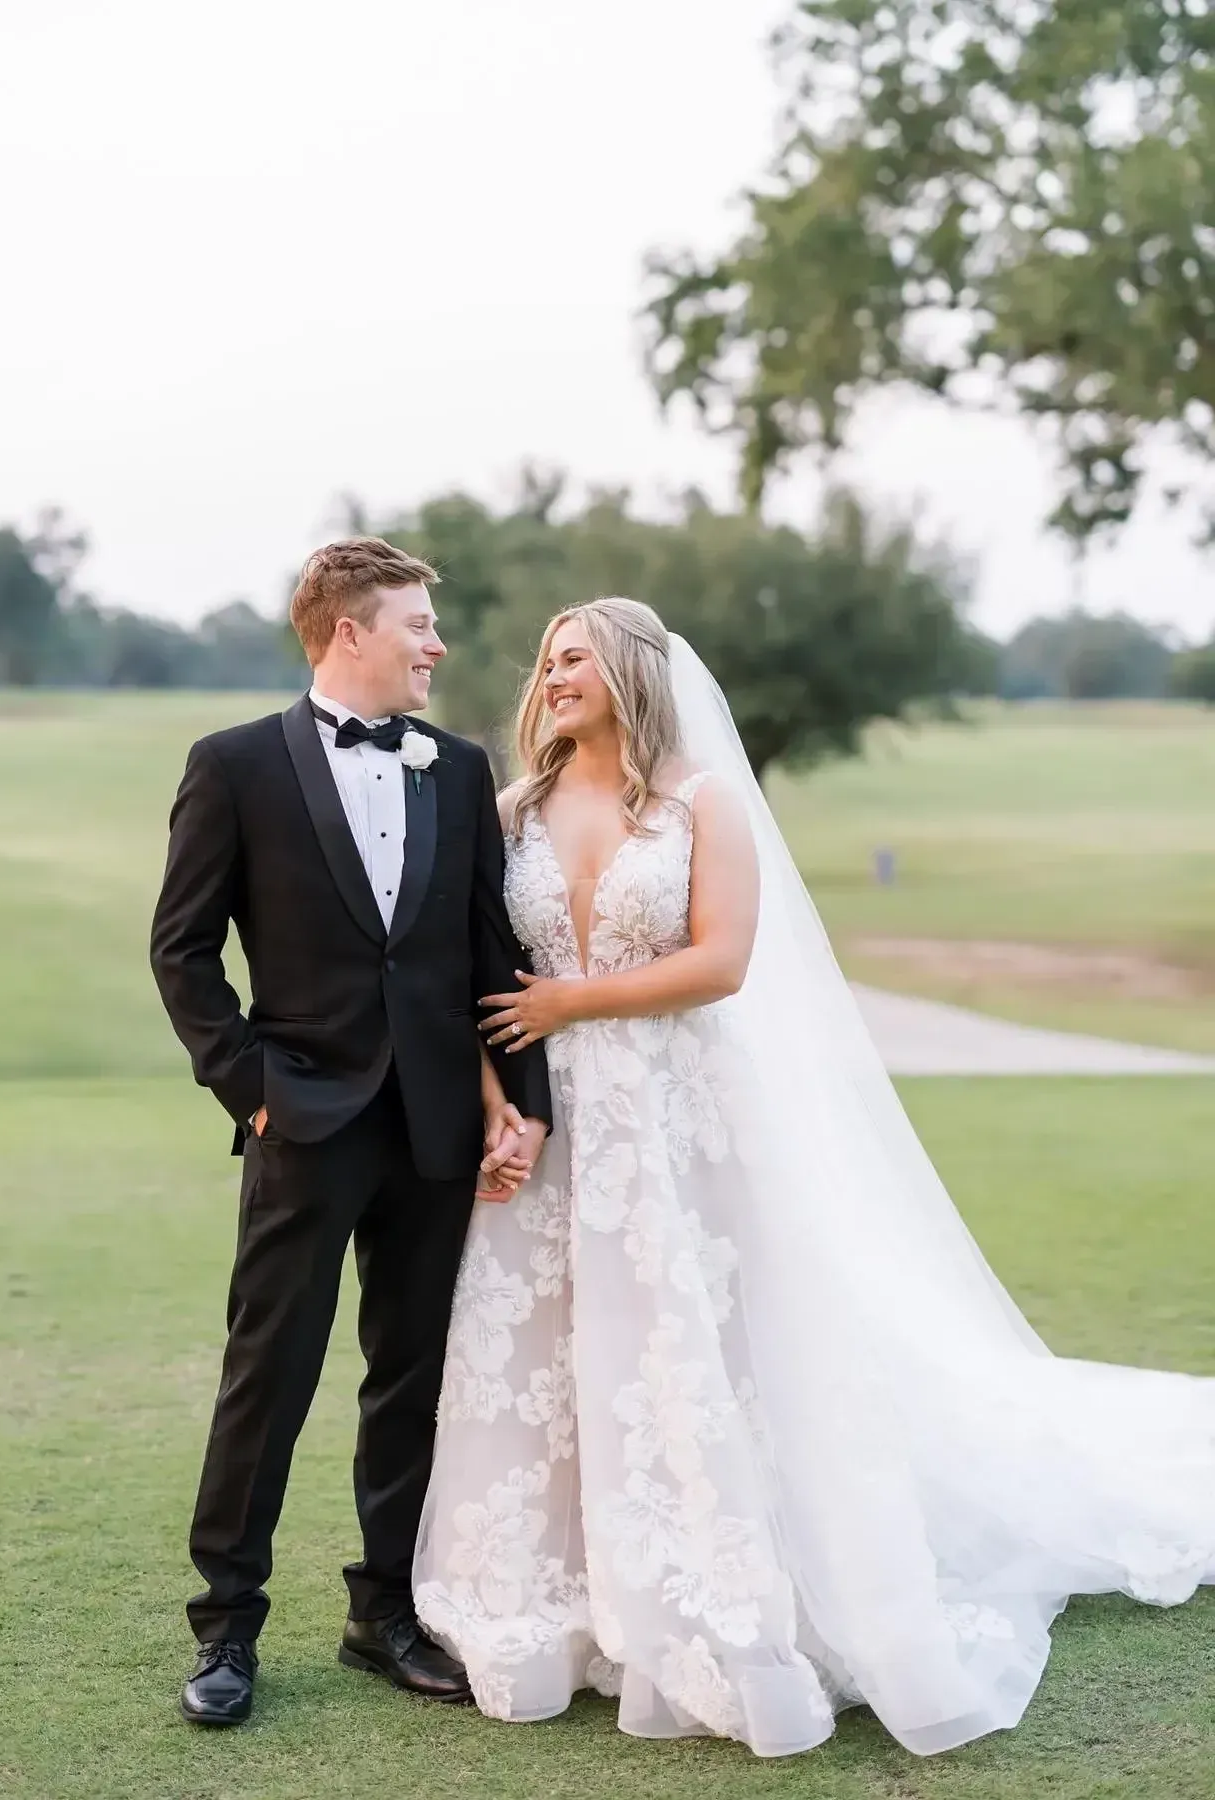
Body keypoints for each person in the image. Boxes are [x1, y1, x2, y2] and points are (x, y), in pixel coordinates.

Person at [412, 597, 1215, 1756]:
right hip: (555, 1127)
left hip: (677, 1115)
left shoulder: (702, 798)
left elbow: (720, 961)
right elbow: (485, 982)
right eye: (545, 663)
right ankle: (564, 1594)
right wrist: (501, 1106)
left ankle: (708, 1594)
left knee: (688, 1344)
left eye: (574, 656)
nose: (553, 677)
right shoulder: (514, 808)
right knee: (548, 1348)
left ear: (631, 669)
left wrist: (568, 1002)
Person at [151, 538, 551, 1727]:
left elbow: (493, 958)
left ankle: (385, 1614)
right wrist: (251, 1087)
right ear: (348, 633)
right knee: (265, 1375)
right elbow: (182, 949)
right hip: (305, 1120)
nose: (437, 643)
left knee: (412, 1375)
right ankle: (227, 1630)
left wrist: (523, 1106)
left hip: (434, 1128)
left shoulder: (459, 768)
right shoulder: (232, 767)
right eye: (419, 623)